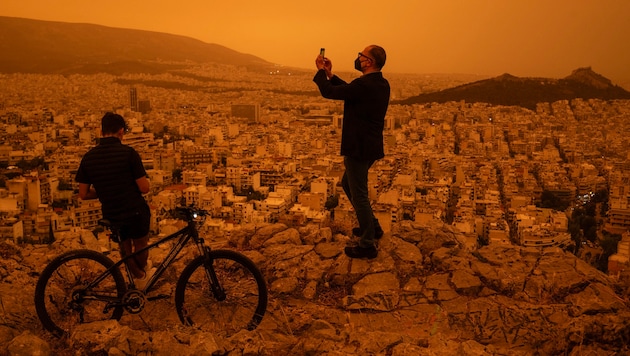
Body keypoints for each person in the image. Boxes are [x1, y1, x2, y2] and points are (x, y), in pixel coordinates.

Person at [313, 45, 390, 259]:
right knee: (348, 184)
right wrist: (331, 74)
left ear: (369, 62)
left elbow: (330, 93)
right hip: (371, 146)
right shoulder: (381, 84)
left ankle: (367, 243)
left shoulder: (364, 85)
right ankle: (372, 227)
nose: (358, 58)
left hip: (358, 147)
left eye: (361, 56)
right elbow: (350, 91)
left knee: (360, 194)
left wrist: (320, 71)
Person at [75, 112, 154, 287]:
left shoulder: (89, 157)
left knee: (124, 248)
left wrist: (104, 189)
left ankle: (137, 277)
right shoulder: (128, 153)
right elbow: (144, 188)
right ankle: (141, 277)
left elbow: (83, 194)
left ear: (101, 131)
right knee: (141, 244)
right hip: (134, 209)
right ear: (121, 131)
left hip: (111, 211)